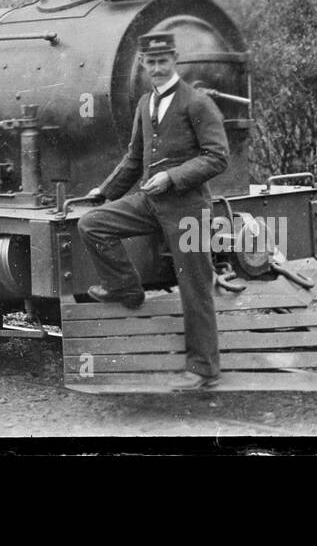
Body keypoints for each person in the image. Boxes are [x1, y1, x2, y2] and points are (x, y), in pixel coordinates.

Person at [77, 33, 229, 390]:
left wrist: (172, 178)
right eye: (151, 61)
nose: (157, 68)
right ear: (143, 64)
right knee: (92, 224)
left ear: (175, 59)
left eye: (163, 61)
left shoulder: (198, 103)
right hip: (150, 202)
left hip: (189, 208)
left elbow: (217, 157)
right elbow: (134, 158)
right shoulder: (145, 103)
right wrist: (105, 191)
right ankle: (126, 289)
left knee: (195, 287)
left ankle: (204, 369)